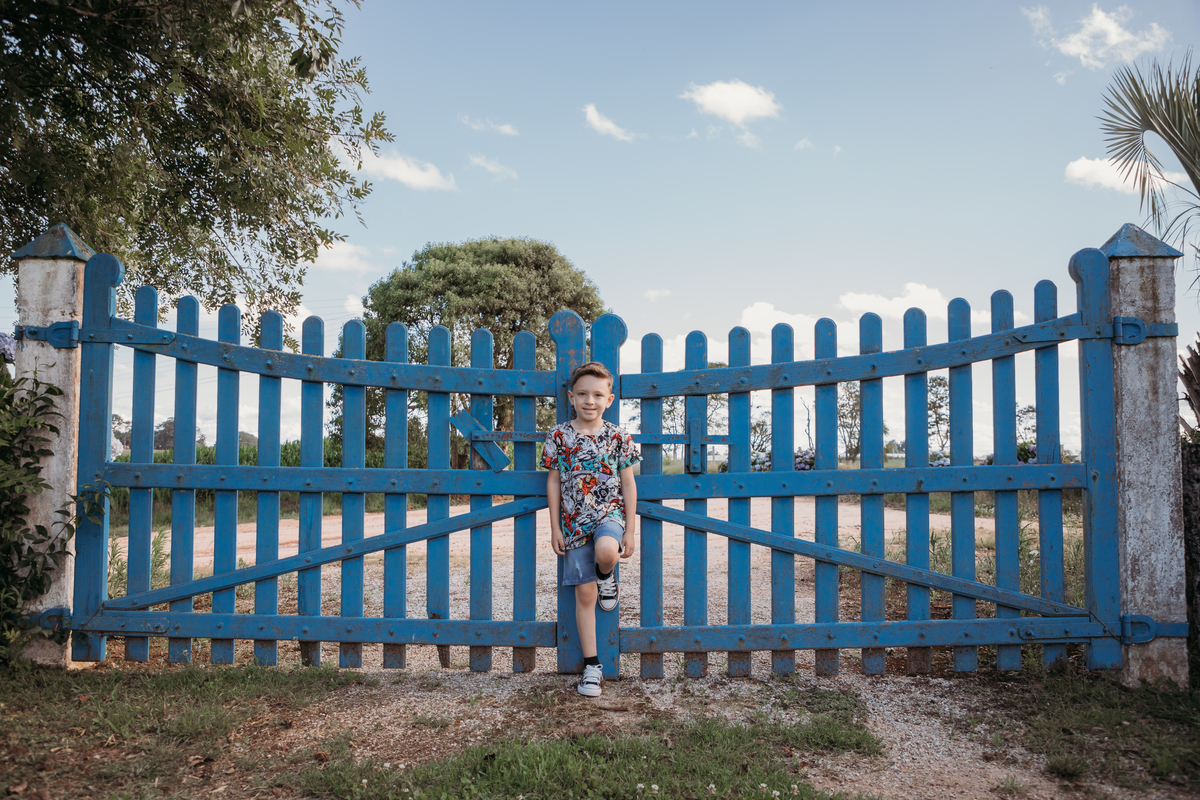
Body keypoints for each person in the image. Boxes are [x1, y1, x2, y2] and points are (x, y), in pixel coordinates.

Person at [542, 361, 640, 697]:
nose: (590, 401)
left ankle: (605, 575)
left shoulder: (618, 437)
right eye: (582, 394)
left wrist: (630, 530)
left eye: (598, 395)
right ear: (571, 397)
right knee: (584, 596)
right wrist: (555, 527)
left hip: (608, 516)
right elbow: (553, 482)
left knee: (607, 551)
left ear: (609, 399)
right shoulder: (558, 436)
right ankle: (592, 667)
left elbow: (629, 484)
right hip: (573, 523)